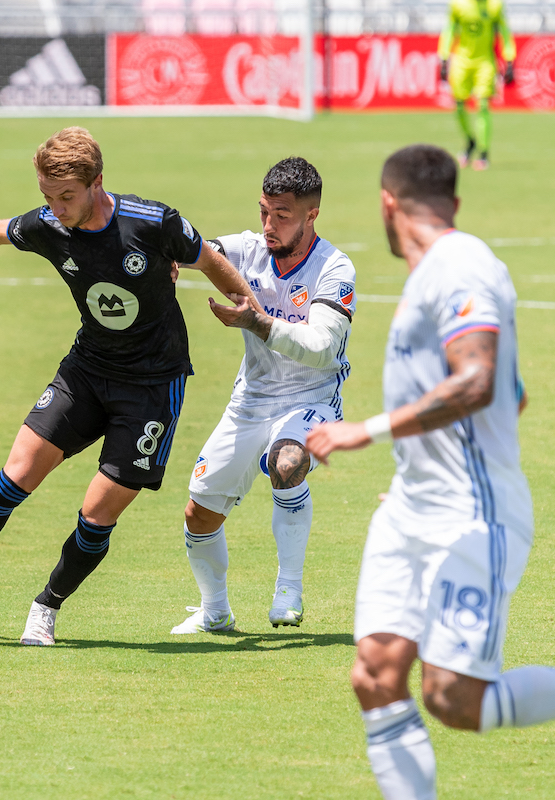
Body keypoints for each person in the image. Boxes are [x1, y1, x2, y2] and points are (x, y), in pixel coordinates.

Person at [305, 145, 555, 799]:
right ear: (453, 199)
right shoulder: (431, 276)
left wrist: (365, 429)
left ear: (388, 204)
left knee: (455, 699)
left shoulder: (462, 265)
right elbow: (508, 388)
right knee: (375, 675)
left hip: (471, 513)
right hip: (409, 506)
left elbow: (477, 380)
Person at [0, 126, 258, 646]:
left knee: (96, 515)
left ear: (98, 182)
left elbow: (207, 258)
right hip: (87, 371)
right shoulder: (51, 225)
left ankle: (45, 607)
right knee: (15, 475)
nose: (56, 208)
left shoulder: (152, 221)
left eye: (66, 197)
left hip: (150, 389)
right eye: (47, 197)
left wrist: (249, 312)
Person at [170, 157, 356, 634]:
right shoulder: (247, 249)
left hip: (311, 398)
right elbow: (199, 249)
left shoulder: (335, 268)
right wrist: (169, 259)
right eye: (264, 212)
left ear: (311, 215)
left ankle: (288, 589)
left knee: (288, 462)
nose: (269, 226)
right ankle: (215, 613)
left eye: (283, 216)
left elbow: (320, 347)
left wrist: (258, 322)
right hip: (251, 399)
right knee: (198, 513)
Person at [438, 0, 515, 171]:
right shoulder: (458, 5)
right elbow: (449, 30)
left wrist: (509, 59)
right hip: (461, 62)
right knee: (459, 105)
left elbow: (504, 33)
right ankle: (470, 140)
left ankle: (483, 153)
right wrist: (444, 57)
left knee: (483, 105)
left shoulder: (495, 6)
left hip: (485, 62)